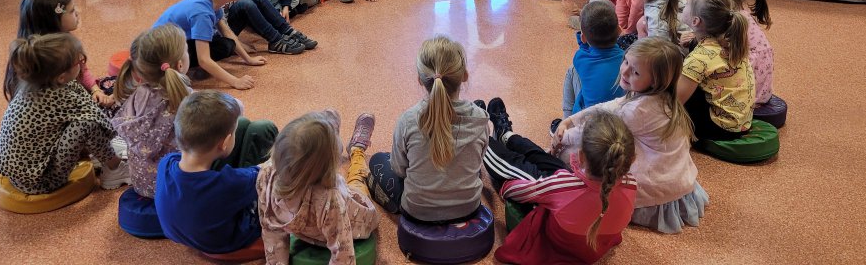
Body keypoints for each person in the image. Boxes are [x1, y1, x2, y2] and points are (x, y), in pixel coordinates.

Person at [553, 38, 708, 234]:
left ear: (656, 81)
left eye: (635, 72)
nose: (625, 71)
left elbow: (596, 130)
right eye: (626, 61)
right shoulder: (660, 95)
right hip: (677, 175)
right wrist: (571, 120)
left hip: (657, 183)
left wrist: (563, 137)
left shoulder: (638, 111)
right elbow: (610, 106)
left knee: (576, 153)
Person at [481, 104, 637, 264]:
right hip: (582, 231)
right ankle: (506, 135)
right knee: (548, 162)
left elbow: (516, 191)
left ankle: (480, 135)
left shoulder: (563, 185)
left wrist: (505, 186)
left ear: (581, 157)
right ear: (632, 160)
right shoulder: (631, 184)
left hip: (550, 241)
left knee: (520, 168)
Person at [366, 36, 488, 222]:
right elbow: (479, 161)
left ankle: (392, 202)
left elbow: (399, 170)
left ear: (420, 80)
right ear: (464, 76)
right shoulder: (480, 118)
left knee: (377, 160)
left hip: (417, 211)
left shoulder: (408, 120)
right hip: (469, 207)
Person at [0, 33, 130, 194]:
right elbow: (100, 122)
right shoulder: (58, 95)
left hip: (24, 173)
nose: (82, 63)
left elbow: (83, 105)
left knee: (84, 119)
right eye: (79, 61)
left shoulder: (36, 86)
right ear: (61, 76)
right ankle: (115, 169)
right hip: (41, 181)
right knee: (88, 124)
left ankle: (101, 155)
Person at [156, 90, 277, 255]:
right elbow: (266, 172)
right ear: (226, 142)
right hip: (225, 242)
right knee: (265, 128)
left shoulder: (167, 162)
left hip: (185, 233)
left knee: (243, 124)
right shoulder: (229, 183)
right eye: (232, 135)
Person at [257, 111, 380, 265]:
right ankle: (330, 128)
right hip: (325, 210)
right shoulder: (265, 176)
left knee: (356, 184)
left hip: (355, 217)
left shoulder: (329, 200)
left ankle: (357, 150)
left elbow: (343, 254)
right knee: (322, 145)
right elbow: (271, 229)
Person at [153, 0, 267, 90]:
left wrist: (248, 59)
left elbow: (227, 32)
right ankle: (174, 69)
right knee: (219, 48)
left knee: (227, 44)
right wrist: (235, 81)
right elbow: (204, 60)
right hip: (160, 52)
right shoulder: (202, 14)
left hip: (171, 40)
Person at [110, 24, 193, 198]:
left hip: (142, 184)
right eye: (186, 50)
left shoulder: (137, 94)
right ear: (179, 65)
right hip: (176, 188)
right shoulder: (187, 99)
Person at [4, 0, 114, 109]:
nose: (77, 13)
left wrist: (95, 90)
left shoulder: (65, 44)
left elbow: (83, 70)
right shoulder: (44, 57)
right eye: (72, 11)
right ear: (52, 20)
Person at [677, 0, 755, 141]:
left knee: (668, 89)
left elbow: (675, 101)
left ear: (696, 21)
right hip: (741, 122)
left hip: (719, 128)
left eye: (686, 6)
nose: (683, 8)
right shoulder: (730, 40)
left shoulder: (699, 58)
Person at [702, 0, 775, 106]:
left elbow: (726, 53)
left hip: (748, 93)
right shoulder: (740, 14)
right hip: (762, 90)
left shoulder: (732, 20)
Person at [558, 1, 625, 125]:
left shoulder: (581, 58)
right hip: (618, 125)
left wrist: (581, 36)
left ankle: (566, 122)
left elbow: (583, 47)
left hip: (588, 126)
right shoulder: (625, 57)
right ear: (619, 30)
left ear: (583, 37)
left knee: (572, 70)